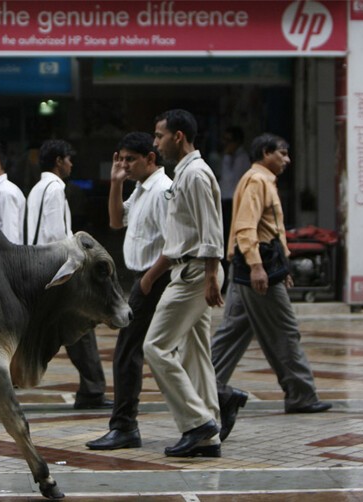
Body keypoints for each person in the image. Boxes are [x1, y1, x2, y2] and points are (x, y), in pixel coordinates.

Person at [212, 133, 332, 443]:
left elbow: (271, 230)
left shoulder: (261, 180)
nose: (287, 159)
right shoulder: (257, 181)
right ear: (266, 153)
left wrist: (284, 267)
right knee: (285, 330)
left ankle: (203, 388)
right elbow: (246, 229)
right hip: (257, 271)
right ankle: (301, 395)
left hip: (257, 269)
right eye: (283, 153)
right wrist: (256, 266)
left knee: (233, 333)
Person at [140, 110, 225, 458]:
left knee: (155, 347)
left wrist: (209, 276)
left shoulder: (196, 175)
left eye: (159, 136)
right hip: (191, 270)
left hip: (194, 274)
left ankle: (197, 422)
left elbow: (211, 229)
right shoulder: (185, 174)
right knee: (195, 352)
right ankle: (208, 434)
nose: (155, 144)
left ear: (178, 136)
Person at [86, 132, 172, 450]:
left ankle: (124, 426)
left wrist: (148, 280)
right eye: (120, 159)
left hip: (154, 279)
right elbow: (115, 222)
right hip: (141, 279)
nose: (124, 165)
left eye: (130, 159)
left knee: (127, 353)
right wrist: (115, 183)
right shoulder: (141, 189)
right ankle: (222, 397)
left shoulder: (163, 191)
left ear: (150, 158)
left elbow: (174, 241)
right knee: (168, 352)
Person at [26, 139, 112, 410]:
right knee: (80, 324)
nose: (72, 163)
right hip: (56, 271)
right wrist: (74, 269)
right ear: (59, 161)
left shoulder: (37, 188)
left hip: (37, 268)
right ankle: (92, 390)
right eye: (69, 158)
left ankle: (92, 389)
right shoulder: (55, 188)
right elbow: (56, 235)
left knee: (40, 332)